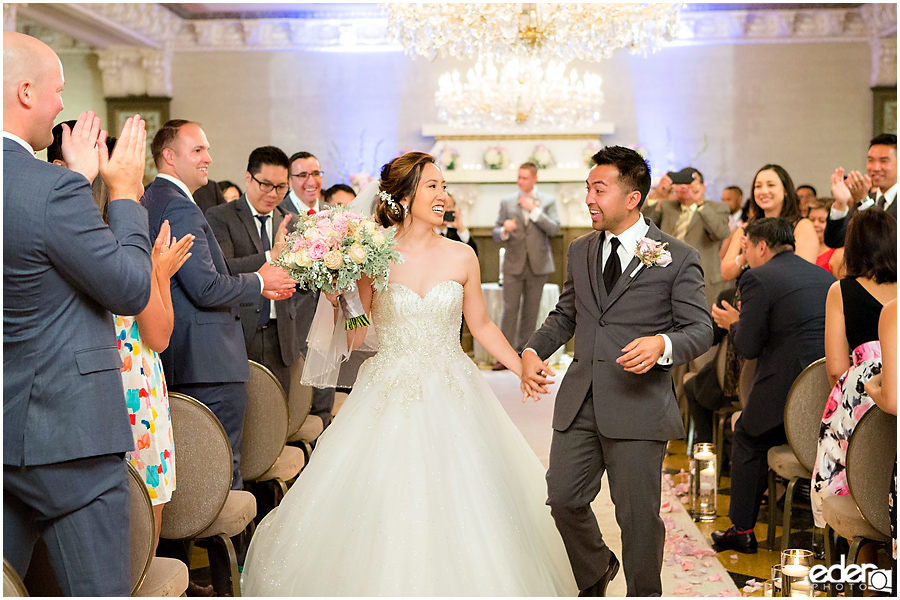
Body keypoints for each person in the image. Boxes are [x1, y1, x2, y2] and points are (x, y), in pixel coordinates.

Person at [241, 152, 577, 596]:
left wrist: (519, 367)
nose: (444, 196)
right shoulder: (373, 254)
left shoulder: (463, 255)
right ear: (404, 196)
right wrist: (339, 301)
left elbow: (481, 325)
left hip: (453, 388)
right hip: (389, 391)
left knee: (471, 497)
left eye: (444, 187)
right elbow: (357, 339)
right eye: (433, 186)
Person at [521, 146, 714, 596]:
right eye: (588, 188)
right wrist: (534, 349)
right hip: (581, 399)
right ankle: (595, 571)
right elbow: (566, 314)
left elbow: (700, 329)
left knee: (636, 518)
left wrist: (662, 344)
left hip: (637, 402)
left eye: (599, 189)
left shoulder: (677, 257)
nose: (588, 198)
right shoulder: (580, 250)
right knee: (564, 497)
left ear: (632, 198)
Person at [3, 32, 152, 595]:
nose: (62, 105)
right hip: (68, 439)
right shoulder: (52, 192)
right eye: (57, 90)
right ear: (25, 92)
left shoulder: (51, 189)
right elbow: (131, 288)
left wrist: (74, 181)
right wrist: (123, 193)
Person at [710, 217, 835, 553]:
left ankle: (742, 530)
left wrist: (733, 324)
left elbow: (748, 346)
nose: (745, 256)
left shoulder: (757, 277)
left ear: (761, 246)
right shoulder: (823, 275)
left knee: (748, 437)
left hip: (786, 387)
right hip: (828, 396)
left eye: (746, 247)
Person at [810, 209, 896, 529]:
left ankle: (859, 550)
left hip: (865, 391)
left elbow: (835, 368)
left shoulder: (842, 291)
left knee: (853, 470)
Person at [118, 221, 193, 553]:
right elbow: (160, 335)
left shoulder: (85, 254)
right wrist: (158, 272)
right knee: (144, 512)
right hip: (136, 388)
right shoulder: (130, 259)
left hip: (108, 384)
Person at [206, 146, 302, 398]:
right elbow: (224, 268)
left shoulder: (292, 223)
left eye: (281, 187)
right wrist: (271, 256)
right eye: (266, 184)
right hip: (239, 332)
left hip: (281, 336)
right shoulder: (220, 216)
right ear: (248, 178)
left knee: (278, 417)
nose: (273, 194)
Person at [280, 150, 337, 426]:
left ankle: (322, 436)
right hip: (294, 313)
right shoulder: (282, 215)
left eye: (315, 174)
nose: (310, 181)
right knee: (297, 388)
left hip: (329, 313)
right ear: (290, 179)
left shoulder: (333, 215)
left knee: (326, 382)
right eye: (302, 175)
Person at [492, 162, 560, 370]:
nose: (520, 181)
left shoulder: (547, 201)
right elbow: (495, 232)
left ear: (534, 178)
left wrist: (534, 212)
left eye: (524, 177)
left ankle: (524, 353)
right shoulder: (507, 201)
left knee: (531, 312)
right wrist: (504, 229)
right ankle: (503, 355)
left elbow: (555, 228)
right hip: (513, 264)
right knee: (509, 310)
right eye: (518, 177)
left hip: (538, 265)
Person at [642, 166, 732, 309]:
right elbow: (642, 226)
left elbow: (721, 233)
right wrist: (656, 195)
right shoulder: (667, 206)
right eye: (681, 181)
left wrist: (699, 202)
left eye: (690, 181)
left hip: (702, 279)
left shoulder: (717, 208)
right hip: (667, 277)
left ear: (701, 186)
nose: (684, 186)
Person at [720, 164, 818, 282]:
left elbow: (802, 271)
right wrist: (744, 257)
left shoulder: (801, 225)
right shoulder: (746, 228)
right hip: (748, 297)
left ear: (785, 190)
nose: (764, 191)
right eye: (758, 186)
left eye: (771, 185)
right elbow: (725, 273)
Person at [825, 133, 897, 248]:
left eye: (883, 161)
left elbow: (888, 241)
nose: (875, 168)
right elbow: (835, 241)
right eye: (871, 160)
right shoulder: (865, 200)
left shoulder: (864, 200)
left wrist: (864, 200)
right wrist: (840, 203)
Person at [281, 150, 325, 215]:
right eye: (303, 175)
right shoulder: (278, 214)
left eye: (316, 174)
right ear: (289, 180)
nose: (311, 183)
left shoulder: (334, 213)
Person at [807, 197, 842, 275]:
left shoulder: (839, 252)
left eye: (821, 221)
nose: (815, 224)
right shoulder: (801, 247)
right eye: (812, 220)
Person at [437, 190, 478, 255]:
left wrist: (460, 227)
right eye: (443, 207)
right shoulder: (425, 234)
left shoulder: (456, 235)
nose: (446, 211)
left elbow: (473, 253)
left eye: (449, 207)